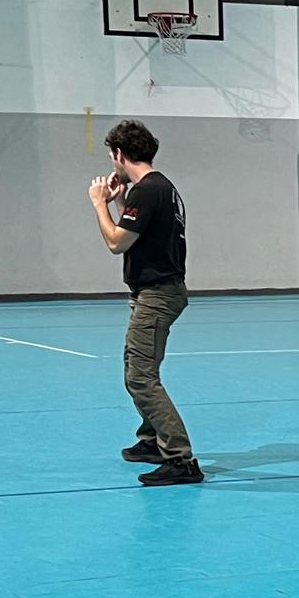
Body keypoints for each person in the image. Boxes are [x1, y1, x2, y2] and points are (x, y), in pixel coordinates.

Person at [90, 121, 201, 486]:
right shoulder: (158, 188)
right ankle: (152, 440)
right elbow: (142, 231)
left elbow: (117, 242)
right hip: (155, 291)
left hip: (158, 294)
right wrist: (121, 200)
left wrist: (99, 206)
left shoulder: (149, 191)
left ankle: (180, 459)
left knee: (141, 377)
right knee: (135, 367)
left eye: (113, 156)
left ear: (121, 155)